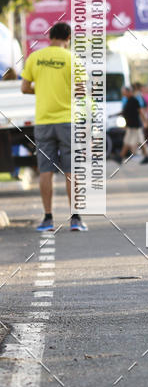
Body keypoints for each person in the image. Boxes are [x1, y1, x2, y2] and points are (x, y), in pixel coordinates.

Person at [20, 22, 87, 232]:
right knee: (71, 170)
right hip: (68, 120)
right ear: (68, 38)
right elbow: (81, 91)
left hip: (43, 121)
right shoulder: (72, 59)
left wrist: (42, 89)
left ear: (50, 37)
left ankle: (47, 218)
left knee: (46, 170)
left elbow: (24, 88)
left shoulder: (35, 58)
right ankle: (75, 219)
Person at [118, 85, 148, 164]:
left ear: (128, 92)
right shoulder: (128, 100)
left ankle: (121, 156)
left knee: (138, 141)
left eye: (124, 92)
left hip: (136, 125)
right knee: (128, 141)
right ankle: (121, 156)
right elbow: (126, 112)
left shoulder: (134, 100)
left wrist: (146, 121)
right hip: (131, 125)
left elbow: (141, 112)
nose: (123, 94)